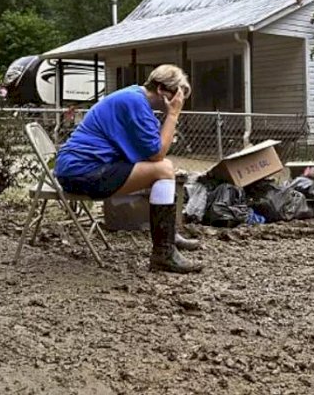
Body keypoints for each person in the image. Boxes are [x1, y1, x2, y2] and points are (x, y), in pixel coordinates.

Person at [54, 64, 203, 274]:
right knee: (163, 169)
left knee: (163, 169)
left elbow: (147, 152)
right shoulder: (134, 102)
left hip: (82, 169)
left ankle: (167, 237)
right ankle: (163, 252)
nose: (180, 101)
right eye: (177, 95)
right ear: (161, 90)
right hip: (82, 173)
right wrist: (172, 115)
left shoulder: (134, 98)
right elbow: (157, 153)